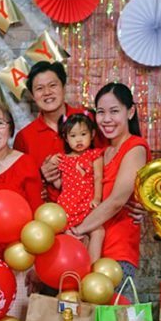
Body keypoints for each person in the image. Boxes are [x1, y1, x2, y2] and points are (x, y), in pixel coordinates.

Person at [65, 83, 150, 287]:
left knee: (113, 318)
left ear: (130, 112)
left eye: (114, 111)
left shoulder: (135, 147)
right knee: (82, 317)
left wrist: (78, 230)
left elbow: (117, 200)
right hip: (88, 251)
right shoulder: (100, 151)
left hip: (117, 254)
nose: (107, 119)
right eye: (101, 112)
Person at [0, 101, 43, 320]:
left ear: (10, 128)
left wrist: (36, 264)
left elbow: (37, 214)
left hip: (20, 257)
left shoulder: (25, 163)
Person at [13, 61, 96, 202]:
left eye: (53, 85)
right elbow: (19, 184)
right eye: (39, 88)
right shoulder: (24, 137)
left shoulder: (88, 119)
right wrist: (40, 176)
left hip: (91, 212)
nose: (47, 92)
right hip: (48, 217)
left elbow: (110, 161)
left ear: (63, 88)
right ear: (33, 96)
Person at [52, 112, 105, 261]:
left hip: (87, 204)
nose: (79, 139)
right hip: (68, 205)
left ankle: (91, 268)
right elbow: (59, 184)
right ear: (66, 138)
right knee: (72, 237)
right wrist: (52, 165)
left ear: (92, 134)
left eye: (83, 134)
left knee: (98, 231)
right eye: (73, 136)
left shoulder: (94, 155)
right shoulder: (63, 159)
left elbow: (98, 177)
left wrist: (97, 198)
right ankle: (74, 267)